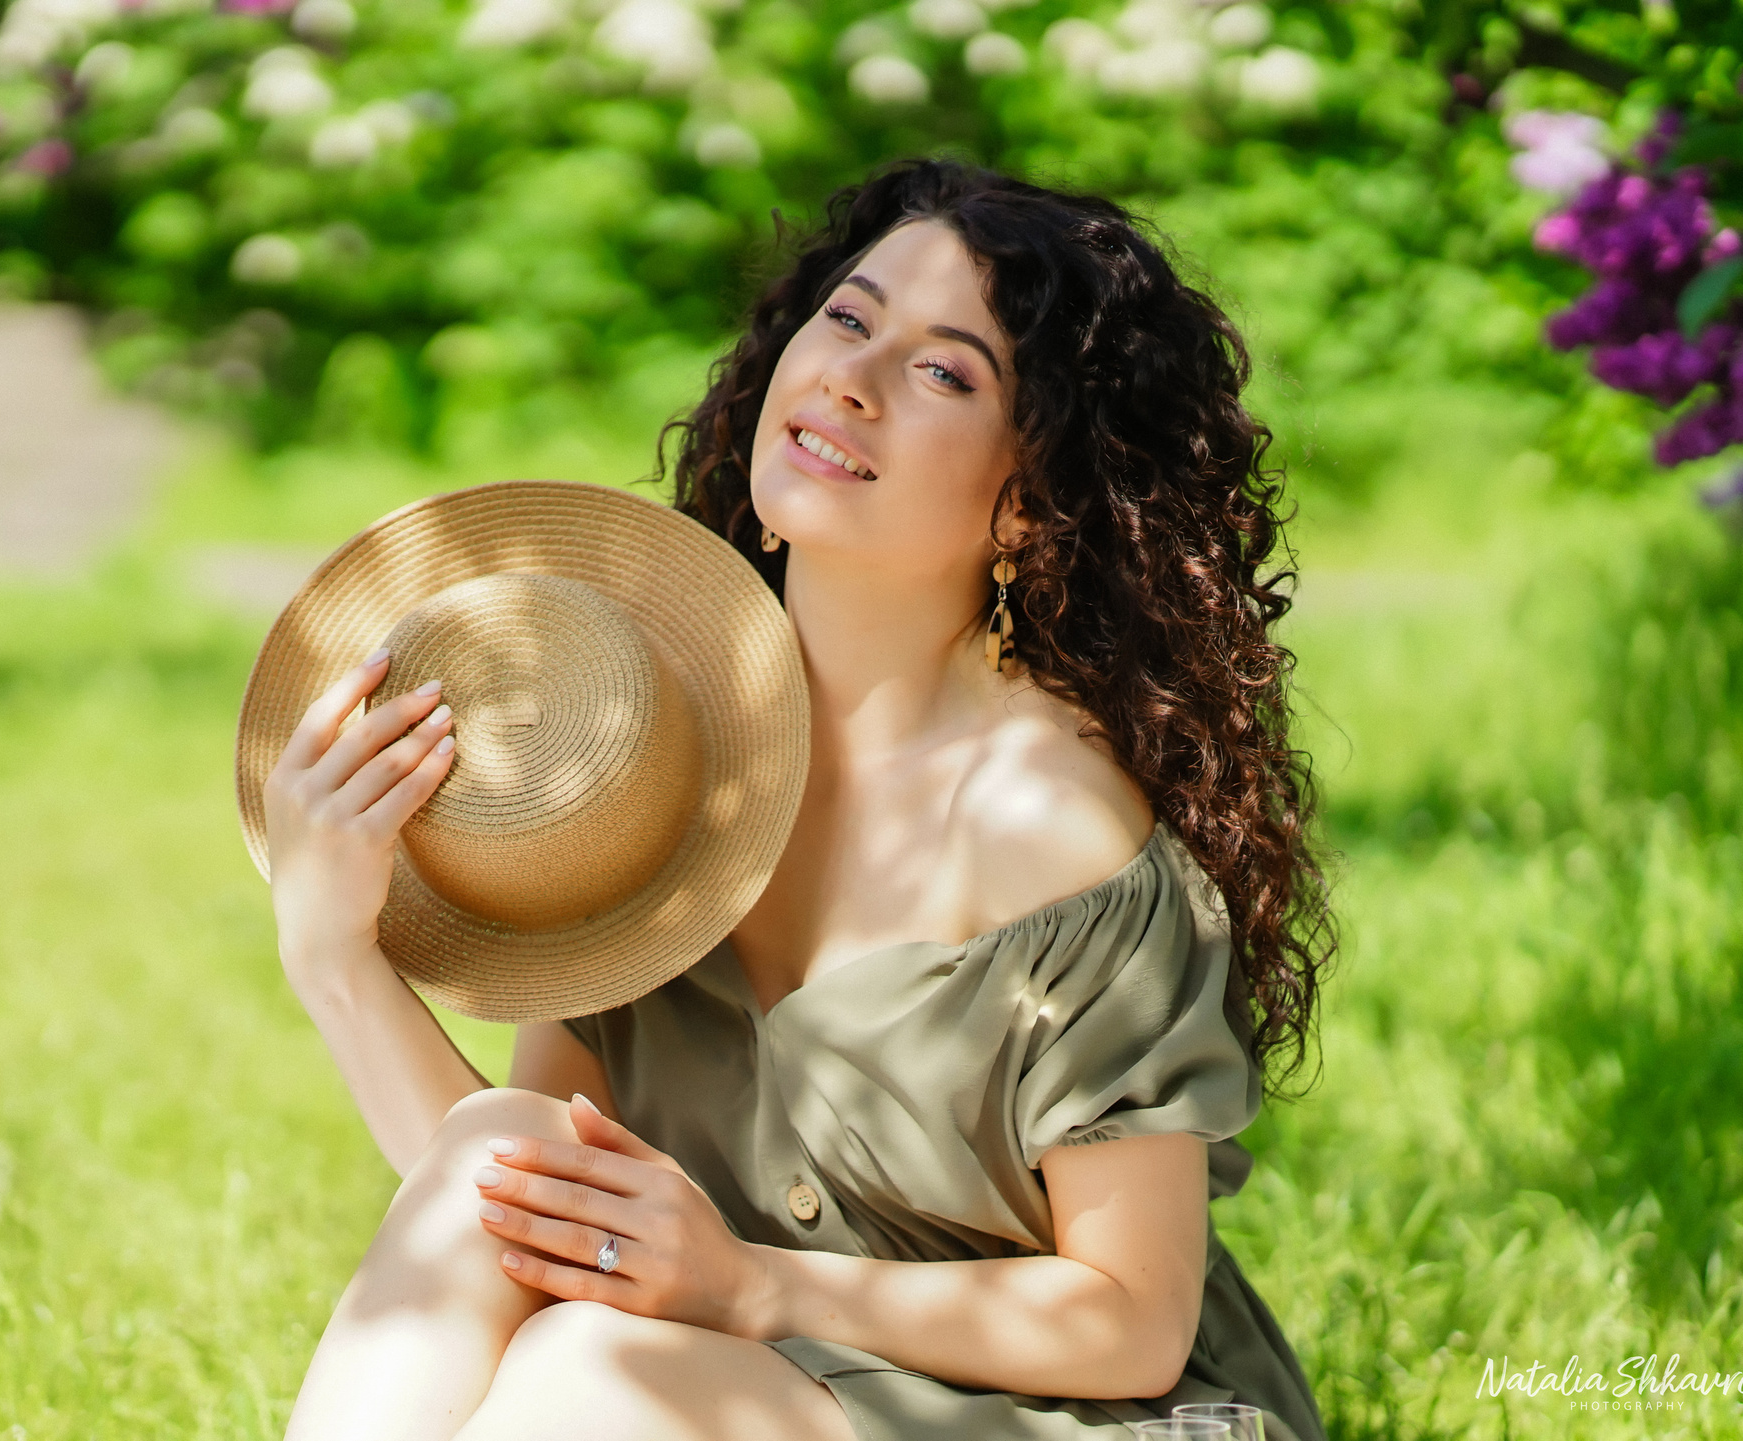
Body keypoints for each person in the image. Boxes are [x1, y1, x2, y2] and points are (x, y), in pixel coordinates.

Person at [257, 158, 1335, 1441]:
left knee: (591, 1375)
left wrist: (749, 1282)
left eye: (944, 371)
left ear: (1035, 507)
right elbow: (541, 1215)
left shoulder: (1045, 823)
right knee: (504, 1151)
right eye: (847, 316)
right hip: (739, 1386)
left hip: (1060, 1412)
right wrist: (334, 951)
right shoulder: (653, 760)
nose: (850, 380)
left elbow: (1130, 1321)